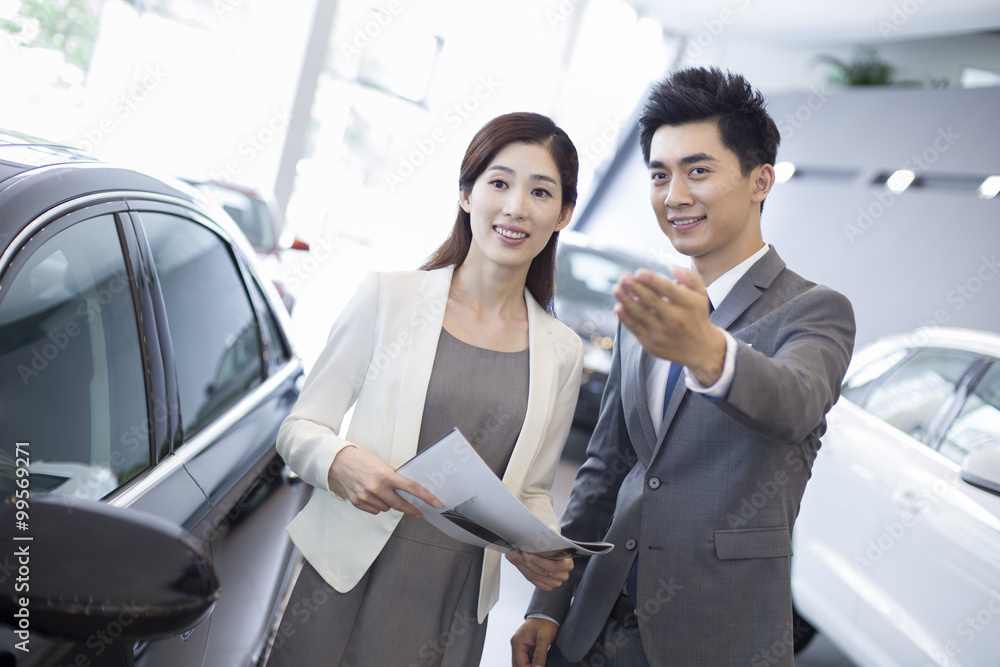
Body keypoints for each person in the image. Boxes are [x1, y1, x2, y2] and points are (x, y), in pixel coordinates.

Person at [511, 67, 857, 667]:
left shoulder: (815, 311)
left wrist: (706, 352)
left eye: (698, 170)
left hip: (718, 637)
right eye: (659, 175)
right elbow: (606, 467)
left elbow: (793, 403)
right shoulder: (645, 308)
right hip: (592, 627)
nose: (674, 195)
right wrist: (547, 603)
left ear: (760, 180)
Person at [266, 112, 584, 667]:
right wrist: (341, 461)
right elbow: (298, 429)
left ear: (563, 214)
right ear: (466, 194)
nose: (516, 208)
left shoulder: (561, 351)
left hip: (453, 600)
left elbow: (531, 489)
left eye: (540, 192)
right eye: (499, 183)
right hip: (346, 576)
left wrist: (543, 547)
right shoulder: (388, 298)